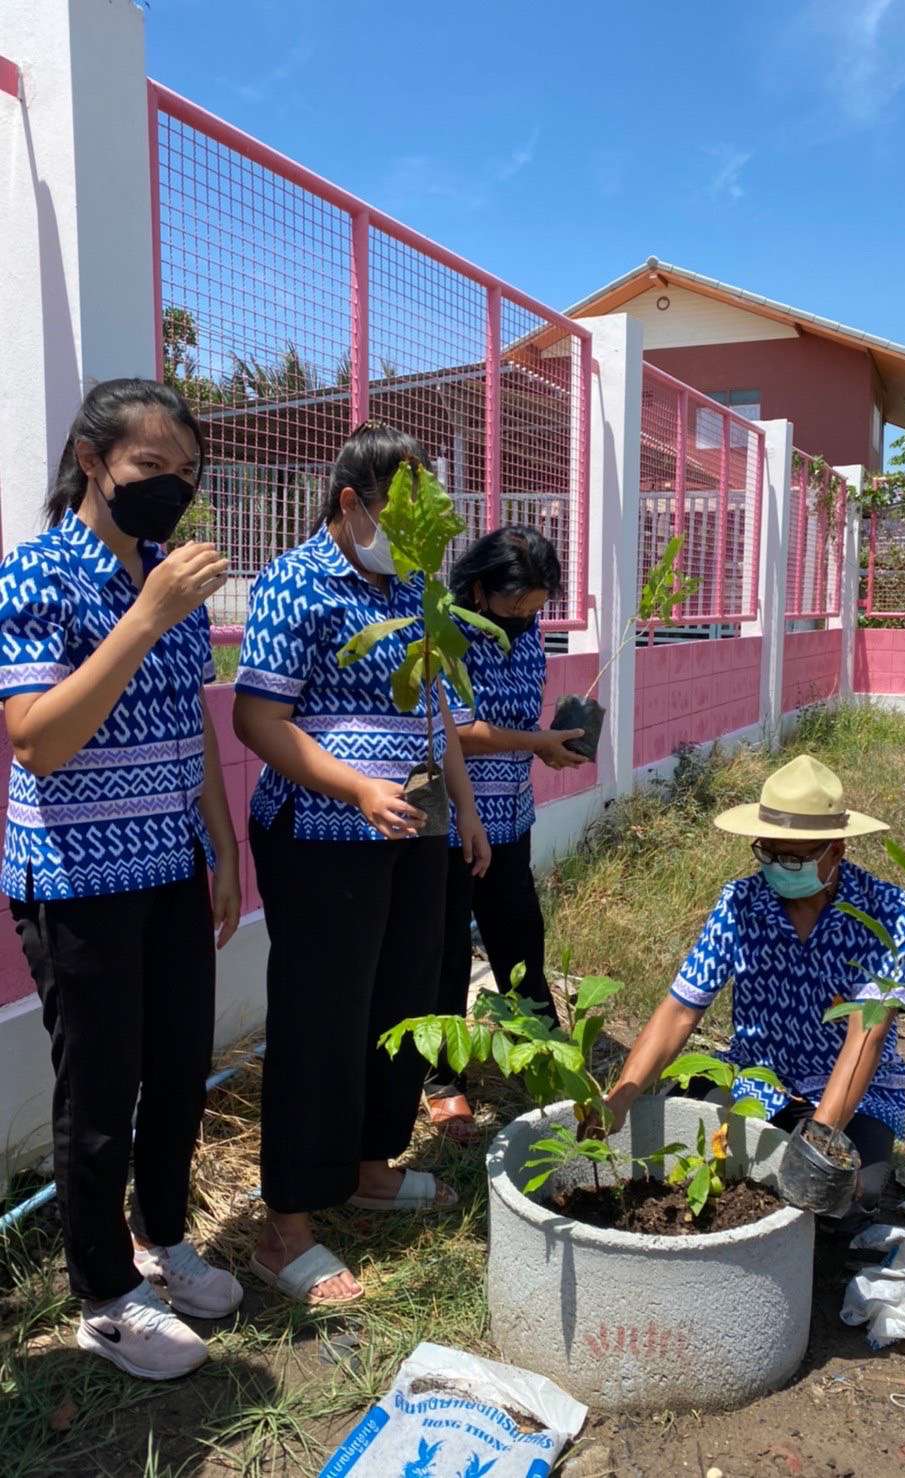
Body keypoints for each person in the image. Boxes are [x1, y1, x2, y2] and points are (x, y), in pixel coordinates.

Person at [0, 379, 243, 1381]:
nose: (171, 487)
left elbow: (193, 724)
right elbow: (36, 740)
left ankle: (164, 1240)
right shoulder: (39, 574)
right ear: (92, 460)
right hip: (77, 877)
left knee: (179, 1067)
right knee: (100, 1092)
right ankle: (104, 1293)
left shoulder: (170, 576)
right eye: (151, 465)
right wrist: (146, 613)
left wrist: (221, 846)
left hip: (170, 862)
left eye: (186, 472)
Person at [233, 423, 490, 1306]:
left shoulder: (414, 588)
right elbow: (259, 720)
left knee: (402, 1002)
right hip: (322, 836)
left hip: (415, 828)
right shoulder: (295, 582)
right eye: (401, 516)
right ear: (351, 502)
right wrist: (354, 788)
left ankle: (371, 1167)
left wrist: (465, 809)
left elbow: (439, 711)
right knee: (323, 1018)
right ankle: (288, 1227)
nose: (418, 537)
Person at [590, 754, 905, 1227]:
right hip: (758, 1077)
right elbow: (681, 1009)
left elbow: (865, 1036)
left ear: (837, 850)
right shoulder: (741, 904)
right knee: (702, 1156)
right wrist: (620, 1098)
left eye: (794, 858)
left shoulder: (887, 914)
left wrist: (820, 1139)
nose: (780, 868)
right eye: (768, 853)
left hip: (853, 1090)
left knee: (845, 1199)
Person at [423, 527, 588, 1141]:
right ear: (478, 589)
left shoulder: (530, 637)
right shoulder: (443, 633)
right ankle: (442, 1079)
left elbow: (519, 720)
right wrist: (536, 742)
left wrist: (551, 744)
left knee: (520, 937)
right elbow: (458, 733)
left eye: (535, 609)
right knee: (445, 953)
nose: (525, 620)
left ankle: (541, 1051)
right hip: (451, 823)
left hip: (511, 815)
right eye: (515, 607)